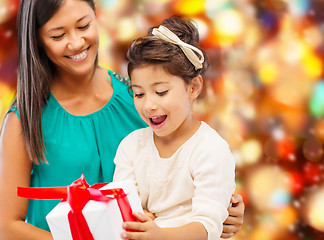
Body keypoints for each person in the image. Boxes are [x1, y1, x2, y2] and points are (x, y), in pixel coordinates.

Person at [0, 0, 244, 239]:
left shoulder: (139, 98)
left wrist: (225, 208)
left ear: (97, 18)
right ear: (38, 41)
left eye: (83, 26)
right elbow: (7, 227)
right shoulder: (25, 119)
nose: (76, 43)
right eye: (57, 36)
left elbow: (189, 165)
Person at [112, 17, 236, 240]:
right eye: (139, 93)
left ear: (193, 87)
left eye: (161, 92)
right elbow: (122, 210)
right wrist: (137, 218)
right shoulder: (131, 146)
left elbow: (208, 227)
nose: (149, 105)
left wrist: (159, 234)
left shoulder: (210, 149)